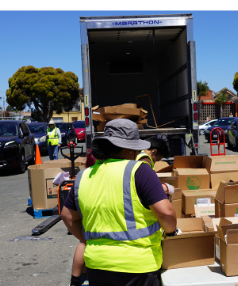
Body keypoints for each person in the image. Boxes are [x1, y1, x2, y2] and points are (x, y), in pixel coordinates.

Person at [61, 119, 176, 286]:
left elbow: (67, 217)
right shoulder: (139, 170)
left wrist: (90, 241)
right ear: (130, 148)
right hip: (137, 266)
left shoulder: (83, 176)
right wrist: (171, 232)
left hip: (97, 265)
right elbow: (166, 213)